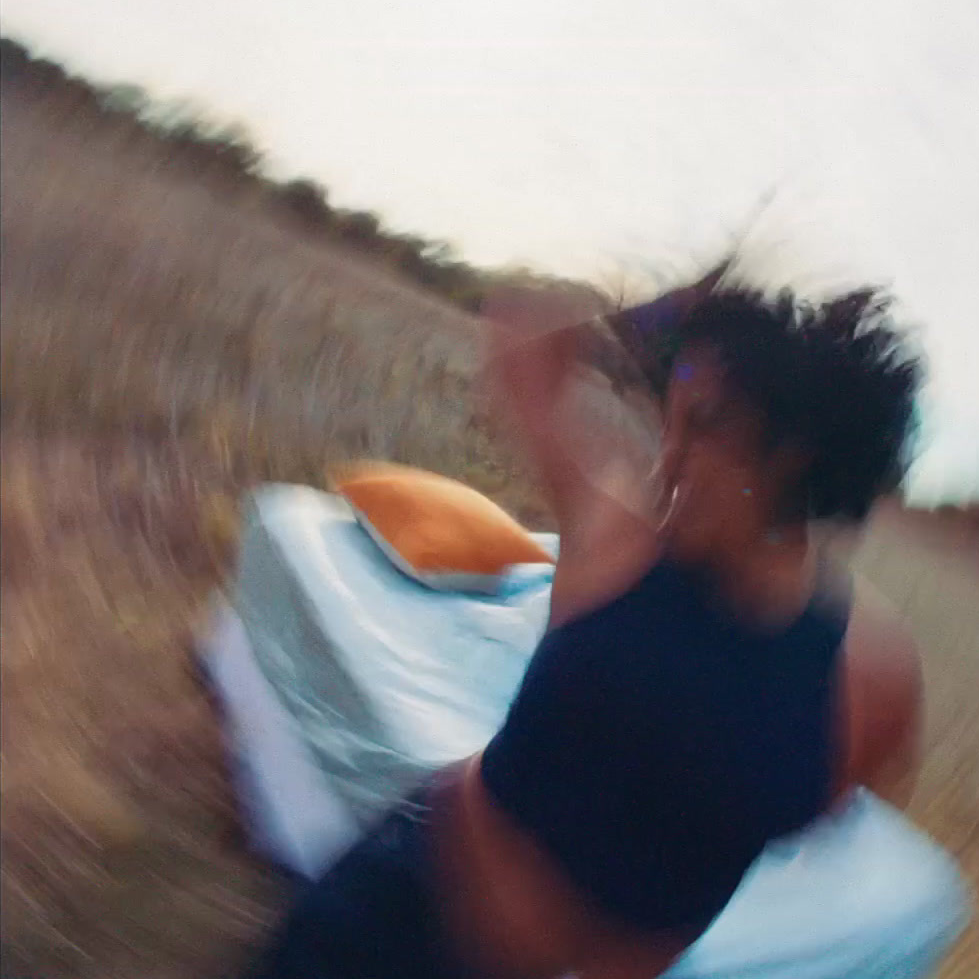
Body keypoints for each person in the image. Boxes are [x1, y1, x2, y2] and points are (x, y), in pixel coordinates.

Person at [249, 274, 927, 979]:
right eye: (670, 422)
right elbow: (525, 336)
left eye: (703, 426)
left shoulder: (872, 678)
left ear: (794, 456)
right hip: (391, 926)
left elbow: (815, 813)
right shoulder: (619, 540)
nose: (667, 462)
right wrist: (682, 314)